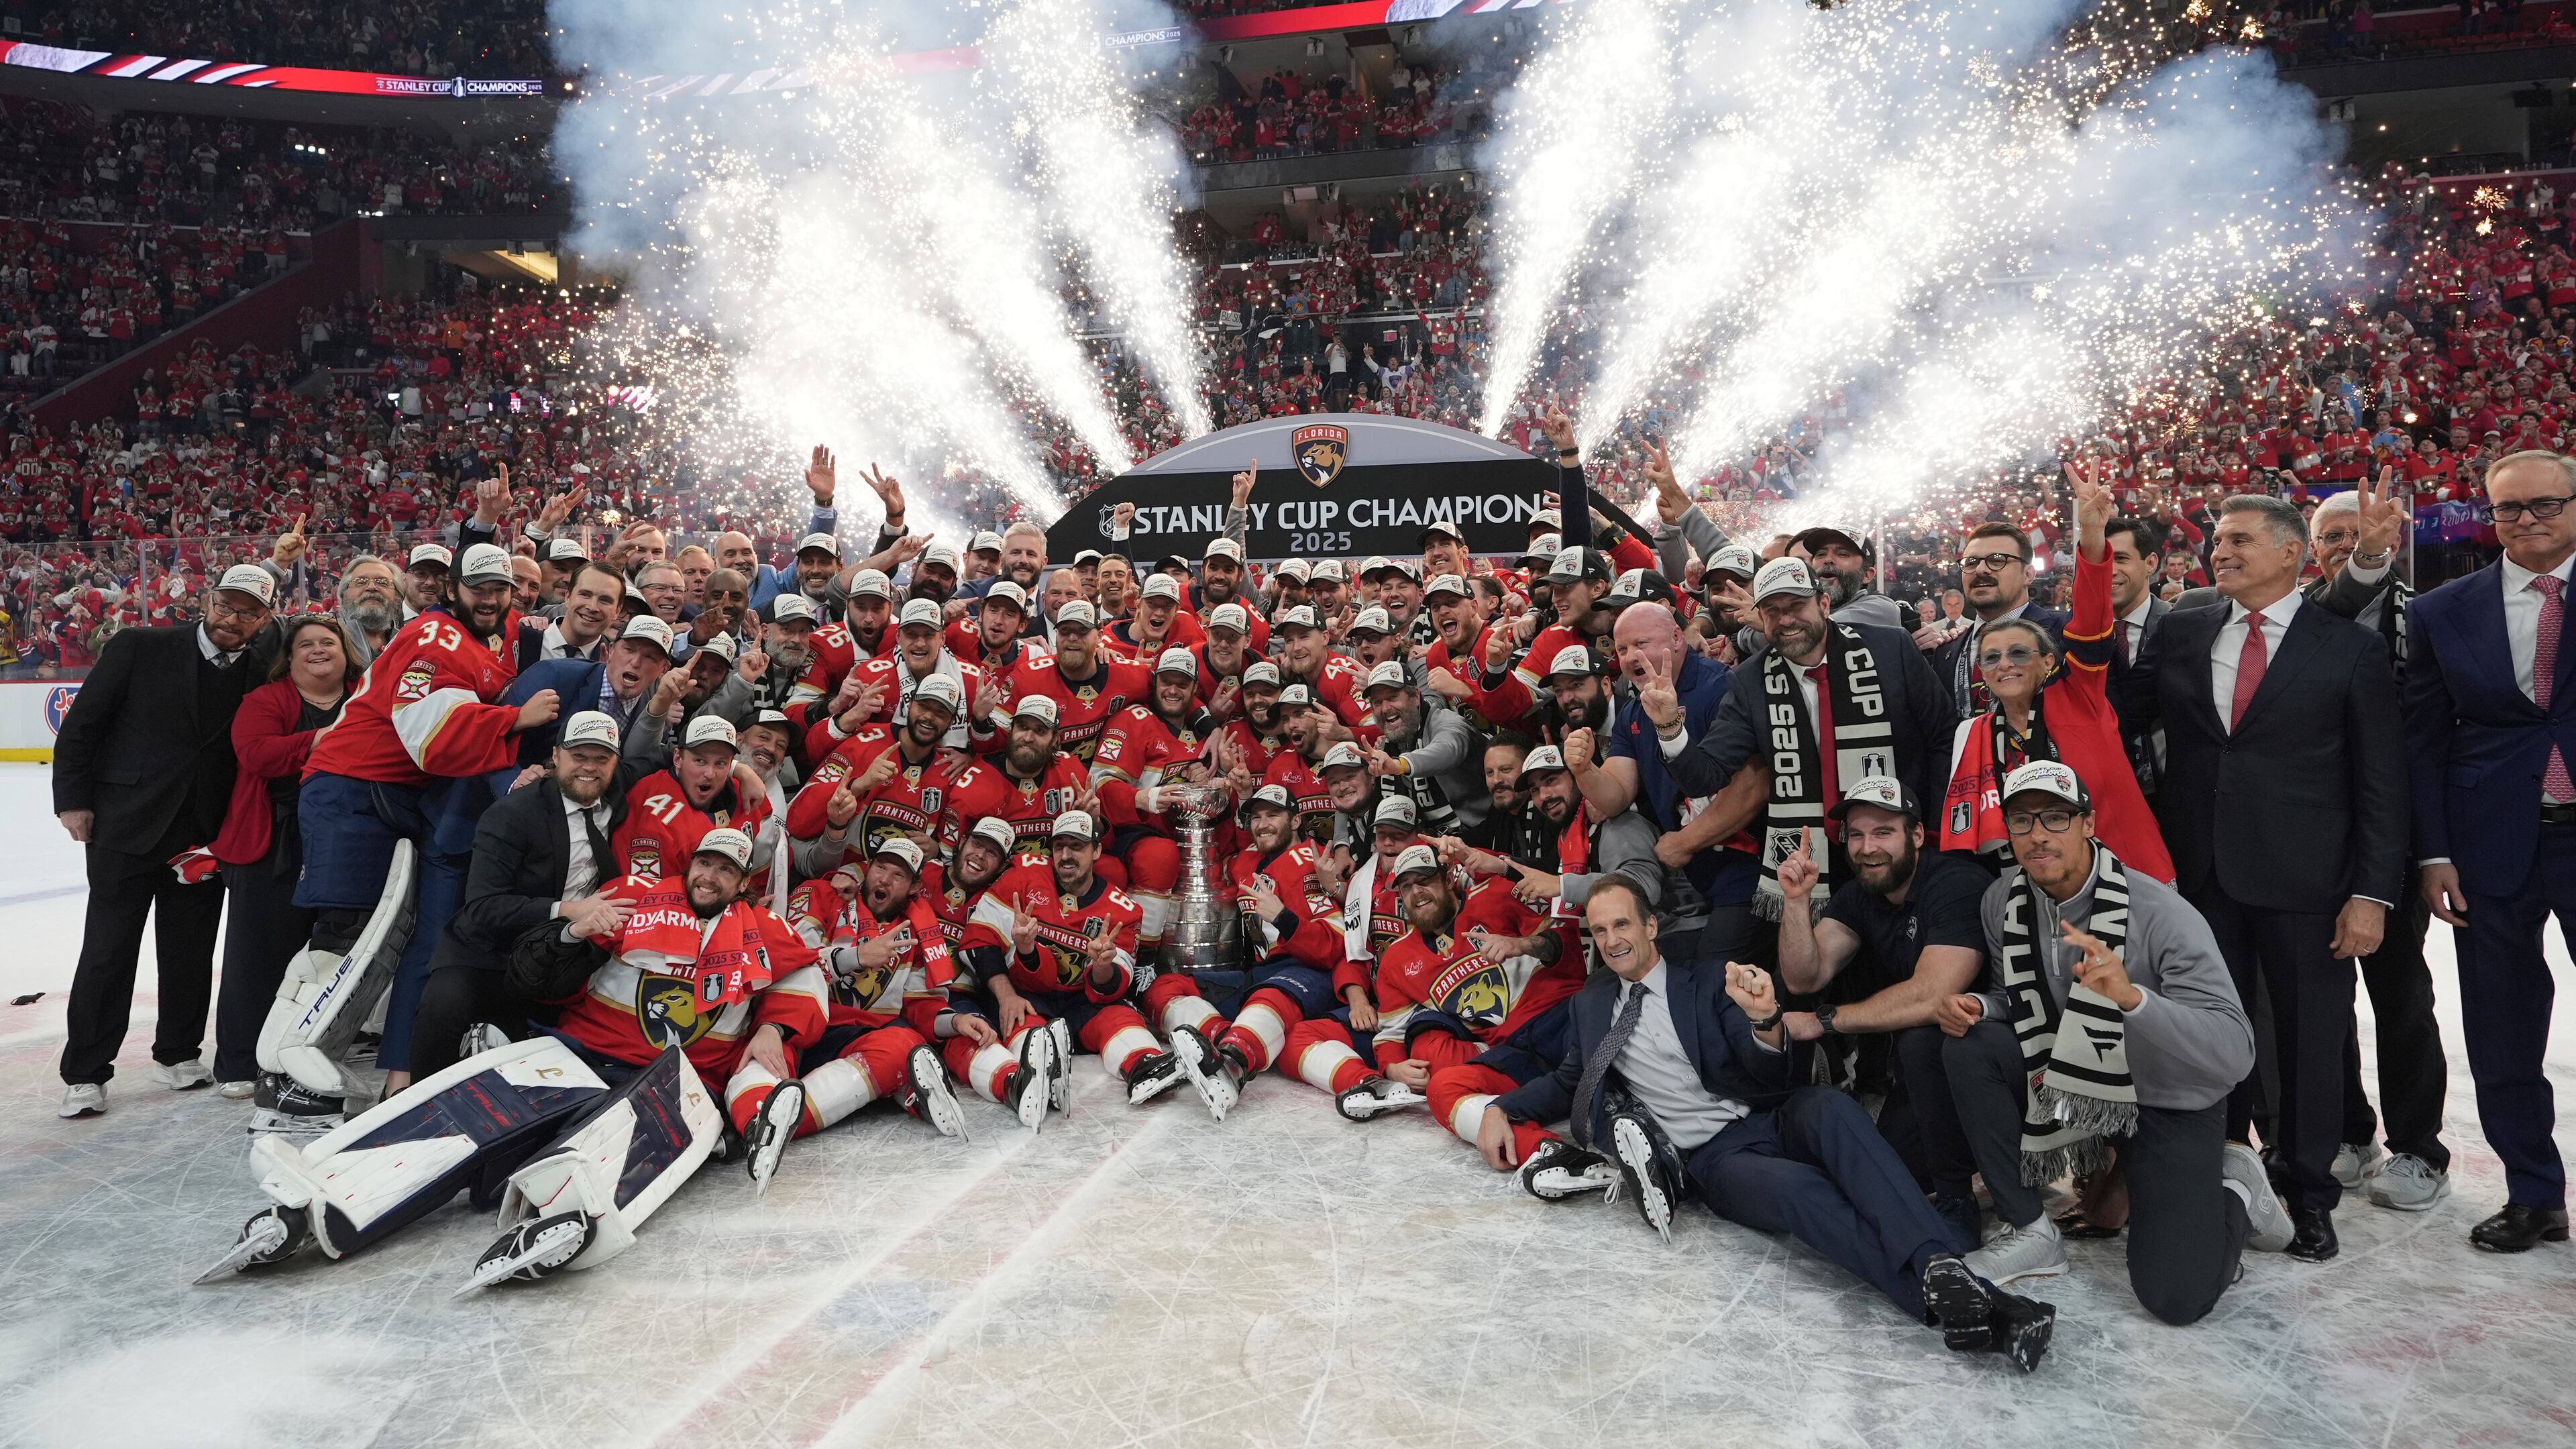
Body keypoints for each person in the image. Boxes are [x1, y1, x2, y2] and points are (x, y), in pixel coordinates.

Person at [1479, 877, 2057, 1374]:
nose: (1611, 941)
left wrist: (1765, 1022)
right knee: (1803, 1191)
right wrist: (1499, 1108)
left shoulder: (1709, 979)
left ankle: (1935, 1263)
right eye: (1600, 930)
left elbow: (1766, 1069)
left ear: (1651, 926)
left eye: (1622, 925)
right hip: (1716, 1158)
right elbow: (1569, 1080)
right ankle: (1985, 1309)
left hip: (1768, 1117)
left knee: (1832, 1109)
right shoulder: (1591, 1004)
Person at [2114, 493, 2406, 1262]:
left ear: (2290, 554)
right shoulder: (2184, 629)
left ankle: (2309, 1195)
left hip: (2310, 884)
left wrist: (2371, 895)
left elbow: (2382, 783)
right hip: (2200, 878)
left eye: (2241, 540)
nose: (2222, 551)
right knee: (2210, 1031)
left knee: (2310, 1044)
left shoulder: (2349, 649)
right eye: (2218, 541)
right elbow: (2116, 710)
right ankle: (2221, 1170)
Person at [1932, 761, 2287, 1324]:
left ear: (2089, 824)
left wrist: (2133, 1000)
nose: (2038, 835)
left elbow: (2235, 1050)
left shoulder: (2161, 913)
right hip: (2079, 1085)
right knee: (1970, 1045)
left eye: (2056, 817)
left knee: (2176, 1297)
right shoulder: (2002, 901)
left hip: (2168, 1098)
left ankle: (2234, 1187)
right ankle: (2031, 1230)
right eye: (2022, 820)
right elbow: (2015, 998)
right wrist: (1982, 1006)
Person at [2402, 448, 2576, 1252]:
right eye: (2510, 508)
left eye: (2546, 504)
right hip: (2488, 844)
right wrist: (2433, 852)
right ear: (2490, 515)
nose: (2527, 519)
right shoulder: (2444, 609)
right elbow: (2424, 737)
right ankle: (2534, 1193)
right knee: (2502, 1027)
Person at [52, 564, 279, 1117]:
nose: (233, 620)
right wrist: (73, 801)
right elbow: (82, 727)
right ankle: (86, 1071)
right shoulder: (139, 646)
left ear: (265, 620)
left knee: (190, 949)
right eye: (226, 606)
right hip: (124, 824)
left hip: (203, 835)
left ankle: (178, 1052)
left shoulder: (264, 673)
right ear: (207, 600)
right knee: (107, 950)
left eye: (249, 613)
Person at [2305, 471, 2454, 1213]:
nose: (2347, 544)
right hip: (2308, 839)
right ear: (2312, 553)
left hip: (2391, 838)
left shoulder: (2428, 618)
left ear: (2390, 539)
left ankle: (2419, 1147)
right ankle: (2346, 1129)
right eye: (2331, 536)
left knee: (2401, 997)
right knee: (2320, 997)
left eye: (2359, 533)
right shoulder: (2297, 620)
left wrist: (2433, 850)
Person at [1661, 557, 1957, 924]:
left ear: (1824, 604)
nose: (1785, 620)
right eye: (1772, 611)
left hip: (1901, 843)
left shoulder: (1890, 649)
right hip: (1811, 861)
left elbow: (1944, 738)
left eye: (1796, 606)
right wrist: (1669, 726)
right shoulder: (1750, 681)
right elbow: (1705, 776)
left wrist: (1934, 829)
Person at [1769, 775, 1993, 1242]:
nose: (1868, 848)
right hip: (1929, 1065)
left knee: (1922, 1037)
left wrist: (1826, 1021)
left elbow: (1933, 995)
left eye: (1883, 832)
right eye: (1856, 835)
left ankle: (1963, 1195)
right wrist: (1796, 902)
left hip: (1997, 1056)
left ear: (1917, 835)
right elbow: (1803, 977)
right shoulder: (1862, 893)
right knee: (1893, 1174)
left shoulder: (1956, 883)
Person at [1937, 462, 2174, 881]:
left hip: (2117, 865)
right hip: (2016, 865)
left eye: (2019, 653)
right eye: (1991, 658)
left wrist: (2092, 537)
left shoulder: (2076, 681)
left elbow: (2091, 617)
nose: (2004, 664)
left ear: (2049, 660)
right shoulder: (1964, 697)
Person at [403, 710, 661, 1081]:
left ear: (615, 762)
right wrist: (570, 910)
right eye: (579, 756)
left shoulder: (615, 784)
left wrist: (738, 770)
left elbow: (668, 756)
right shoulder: (511, 814)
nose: (590, 768)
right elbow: (482, 907)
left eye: (601, 758)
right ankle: (418, 1101)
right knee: (443, 1007)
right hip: (487, 953)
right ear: (556, 756)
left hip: (559, 960)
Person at [208, 613, 358, 1095]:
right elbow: (256, 754)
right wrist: (320, 739)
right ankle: (239, 1063)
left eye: (328, 642)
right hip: (272, 839)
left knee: (332, 955)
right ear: (288, 659)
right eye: (306, 644)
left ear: (346, 654)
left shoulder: (365, 695)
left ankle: (315, 1052)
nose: (318, 650)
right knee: (256, 955)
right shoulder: (266, 700)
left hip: (347, 839)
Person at [1929, 522, 2070, 719]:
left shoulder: (2066, 632)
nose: (1980, 570)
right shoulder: (1947, 650)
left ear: (2028, 575)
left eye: (1997, 560)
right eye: (1971, 562)